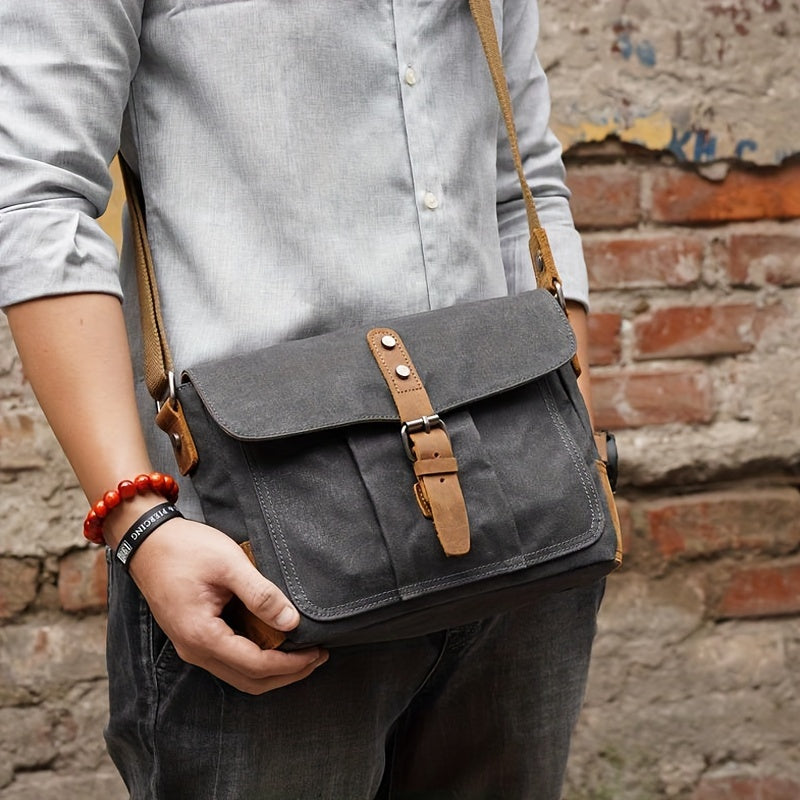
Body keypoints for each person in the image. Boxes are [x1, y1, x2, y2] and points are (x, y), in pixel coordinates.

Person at [1, 1, 603, 797]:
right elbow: (37, 197)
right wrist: (139, 525)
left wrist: (576, 446)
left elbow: (521, 177)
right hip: (254, 550)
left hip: (524, 520)